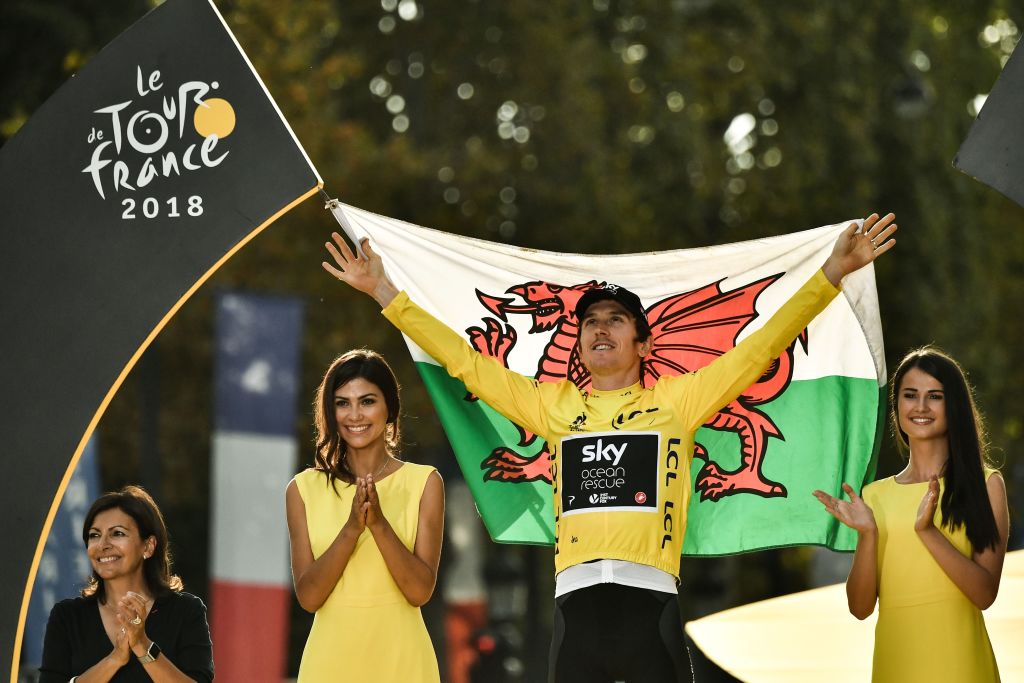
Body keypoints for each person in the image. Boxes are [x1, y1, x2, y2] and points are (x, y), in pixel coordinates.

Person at [323, 213, 897, 683]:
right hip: (574, 615)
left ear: (644, 344)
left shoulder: (678, 402)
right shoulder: (553, 408)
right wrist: (383, 291)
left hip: (653, 609)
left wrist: (831, 273)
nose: (599, 329)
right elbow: (466, 363)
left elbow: (759, 349)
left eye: (616, 321)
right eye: (589, 322)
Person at [814, 347, 1009, 682]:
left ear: (954, 406)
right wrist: (868, 534)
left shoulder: (987, 484)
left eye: (935, 396)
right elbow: (860, 609)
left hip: (961, 665)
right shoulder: (874, 496)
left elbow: (984, 594)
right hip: (896, 664)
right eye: (910, 395)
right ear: (897, 407)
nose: (920, 407)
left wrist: (927, 531)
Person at [286, 349, 444, 682]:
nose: (354, 415)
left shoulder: (425, 483)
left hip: (403, 661)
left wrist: (379, 525)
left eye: (367, 401)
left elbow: (419, 592)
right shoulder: (302, 489)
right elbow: (309, 597)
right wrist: (351, 529)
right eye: (343, 403)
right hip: (330, 663)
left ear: (391, 408)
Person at [39, 485, 214, 682]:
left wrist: (142, 646)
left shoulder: (186, 611)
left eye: (118, 533)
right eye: (94, 535)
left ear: (148, 546)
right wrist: (114, 660)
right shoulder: (67, 617)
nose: (103, 544)